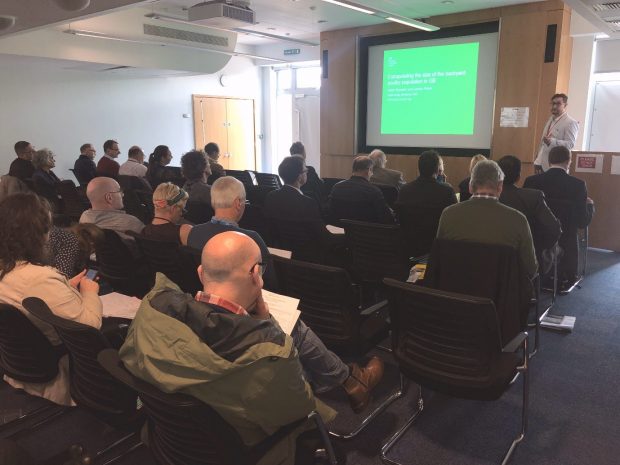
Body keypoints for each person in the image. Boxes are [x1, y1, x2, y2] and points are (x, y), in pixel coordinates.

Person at [119, 230, 383, 463]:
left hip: (176, 440)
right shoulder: (265, 352)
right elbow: (299, 408)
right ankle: (351, 380)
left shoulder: (154, 309)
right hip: (241, 448)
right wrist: (270, 330)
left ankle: (351, 380)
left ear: (201, 273)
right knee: (295, 333)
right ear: (256, 274)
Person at [0, 193, 102, 405]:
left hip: (19, 361)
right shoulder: (40, 277)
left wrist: (65, 288)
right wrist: (89, 292)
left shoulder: (9, 269)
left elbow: (29, 298)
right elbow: (89, 327)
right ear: (39, 233)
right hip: (55, 362)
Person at [437, 159, 538, 278]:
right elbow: (530, 269)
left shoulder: (448, 214)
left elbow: (439, 258)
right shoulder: (518, 220)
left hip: (455, 292)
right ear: (500, 187)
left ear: (470, 186)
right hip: (501, 294)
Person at [187, 176, 277, 290]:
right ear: (238, 203)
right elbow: (270, 283)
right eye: (245, 201)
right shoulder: (251, 238)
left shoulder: (194, 232)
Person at [524, 146, 594, 287]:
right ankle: (566, 277)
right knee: (571, 232)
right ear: (569, 162)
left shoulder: (531, 181)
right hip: (565, 238)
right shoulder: (578, 185)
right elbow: (582, 222)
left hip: (536, 237)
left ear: (549, 161)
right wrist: (590, 206)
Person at [264, 156, 342, 252]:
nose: (307, 173)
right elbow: (325, 239)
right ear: (299, 176)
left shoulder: (270, 197)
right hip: (308, 258)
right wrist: (347, 237)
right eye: (305, 170)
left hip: (282, 255)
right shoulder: (308, 203)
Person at [497, 155, 561, 256]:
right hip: (526, 258)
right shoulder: (534, 197)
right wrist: (537, 249)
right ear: (518, 177)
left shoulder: (486, 197)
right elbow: (554, 229)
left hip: (490, 260)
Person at [328, 155, 394, 224]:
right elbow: (387, 219)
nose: (372, 174)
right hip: (366, 233)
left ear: (353, 169)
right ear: (369, 170)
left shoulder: (337, 187)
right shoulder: (374, 191)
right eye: (372, 171)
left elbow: (330, 212)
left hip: (340, 230)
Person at [80, 177, 145, 242]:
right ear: (109, 198)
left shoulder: (84, 218)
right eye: (119, 191)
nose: (123, 194)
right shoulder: (129, 222)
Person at [534, 93, 579, 173]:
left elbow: (570, 144)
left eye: (558, 104)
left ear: (565, 105)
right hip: (539, 163)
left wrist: (553, 141)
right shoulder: (550, 120)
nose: (554, 106)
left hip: (555, 166)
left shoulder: (570, 122)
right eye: (553, 103)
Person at [290, 141, 324, 207]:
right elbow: (320, 186)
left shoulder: (288, 171)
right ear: (304, 154)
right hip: (312, 205)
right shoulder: (310, 170)